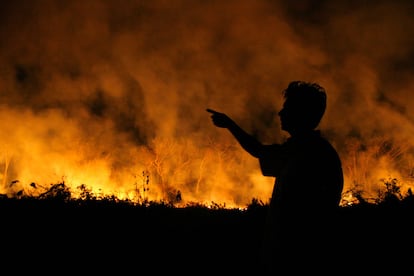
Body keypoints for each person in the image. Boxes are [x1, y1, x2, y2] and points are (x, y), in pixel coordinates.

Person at [207, 80, 344, 273]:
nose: (280, 113)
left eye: (287, 108)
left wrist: (230, 125)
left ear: (301, 114)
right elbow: (263, 153)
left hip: (297, 256)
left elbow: (259, 151)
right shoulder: (309, 148)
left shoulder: (306, 151)